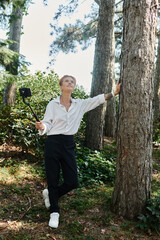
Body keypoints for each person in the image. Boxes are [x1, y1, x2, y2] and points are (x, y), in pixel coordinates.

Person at [35, 75, 121, 228]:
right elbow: (47, 123)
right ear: (61, 86)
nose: (70, 83)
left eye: (72, 81)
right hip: (53, 142)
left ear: (73, 87)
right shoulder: (53, 104)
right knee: (52, 177)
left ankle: (51, 194)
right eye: (67, 81)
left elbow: (97, 99)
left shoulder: (79, 104)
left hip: (68, 143)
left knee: (72, 181)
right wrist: (43, 127)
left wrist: (114, 93)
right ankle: (54, 211)